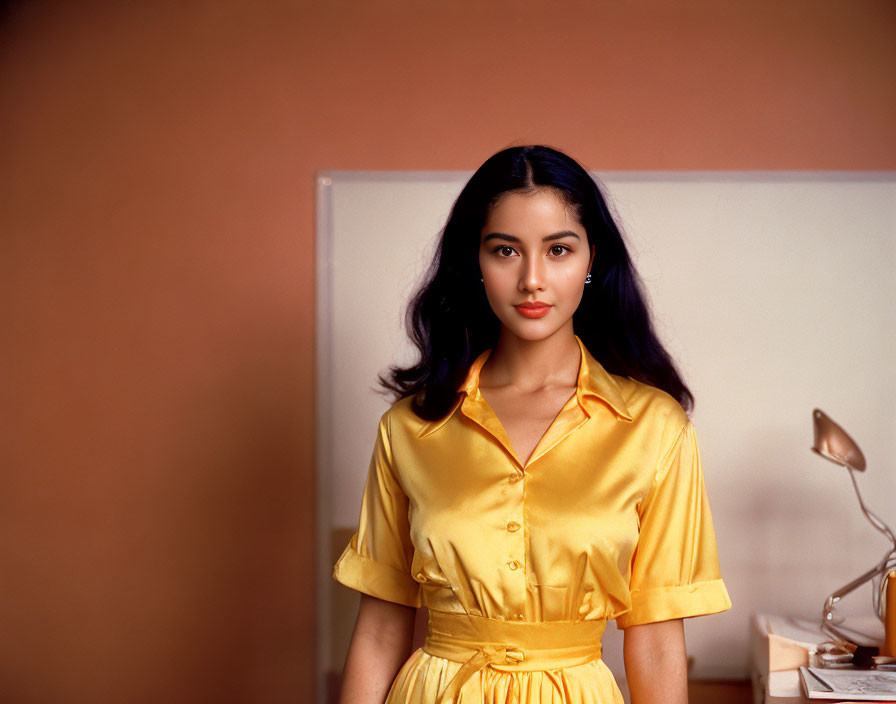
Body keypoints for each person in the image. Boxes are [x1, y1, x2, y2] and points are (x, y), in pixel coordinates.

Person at [333, 145, 731, 704]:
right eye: (505, 251)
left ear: (592, 260)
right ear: (474, 262)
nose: (532, 280)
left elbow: (658, 642)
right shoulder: (410, 426)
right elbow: (378, 631)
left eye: (559, 249)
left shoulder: (654, 428)